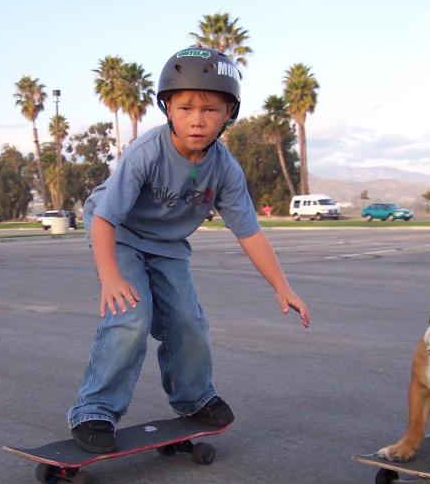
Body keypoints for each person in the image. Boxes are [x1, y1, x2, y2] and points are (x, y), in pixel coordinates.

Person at [67, 46, 310, 453]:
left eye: (210, 109)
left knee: (188, 321)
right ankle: (94, 411)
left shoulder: (225, 168)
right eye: (185, 108)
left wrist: (281, 285)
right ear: (167, 109)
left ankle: (194, 399)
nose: (197, 119)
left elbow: (248, 231)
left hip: (166, 246)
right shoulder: (146, 153)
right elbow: (105, 219)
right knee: (130, 317)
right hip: (119, 234)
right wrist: (110, 277)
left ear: (229, 113)